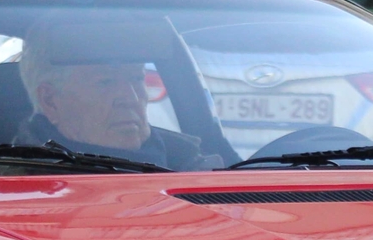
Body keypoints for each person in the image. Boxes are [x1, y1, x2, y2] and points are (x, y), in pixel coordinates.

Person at [15, 12, 222, 169]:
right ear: (50, 101)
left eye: (136, 78)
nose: (130, 98)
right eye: (105, 82)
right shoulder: (13, 193)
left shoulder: (195, 166)